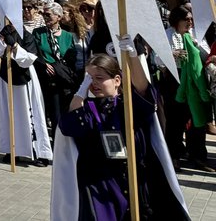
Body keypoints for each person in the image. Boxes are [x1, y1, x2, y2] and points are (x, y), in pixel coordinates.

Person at [50, 47, 189, 220]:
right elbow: (69, 126)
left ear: (117, 80)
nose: (94, 83)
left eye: (99, 78)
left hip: (136, 182)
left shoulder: (129, 106)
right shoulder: (88, 109)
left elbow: (143, 89)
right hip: (102, 188)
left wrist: (133, 55)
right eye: (89, 79)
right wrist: (81, 91)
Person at [0, 16, 52, 166]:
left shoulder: (27, 36)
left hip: (25, 80)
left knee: (31, 114)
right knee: (9, 114)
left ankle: (39, 152)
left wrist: (15, 45)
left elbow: (28, 59)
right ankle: (12, 150)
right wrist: (1, 38)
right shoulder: (1, 34)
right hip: (7, 79)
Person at [162, 5, 211, 169]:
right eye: (187, 19)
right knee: (176, 121)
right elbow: (156, 59)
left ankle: (197, 155)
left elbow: (206, 55)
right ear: (177, 20)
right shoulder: (168, 35)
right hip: (175, 81)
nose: (190, 22)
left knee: (198, 119)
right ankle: (174, 155)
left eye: (191, 19)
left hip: (195, 82)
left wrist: (197, 48)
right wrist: (172, 54)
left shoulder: (195, 34)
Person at [34, 2, 78, 138]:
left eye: (48, 15)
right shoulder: (38, 33)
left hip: (64, 80)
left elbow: (72, 57)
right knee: (55, 116)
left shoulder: (68, 36)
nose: (45, 17)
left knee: (67, 113)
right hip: (49, 80)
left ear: (58, 17)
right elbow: (35, 53)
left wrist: (60, 67)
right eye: (43, 14)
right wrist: (44, 64)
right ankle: (56, 145)